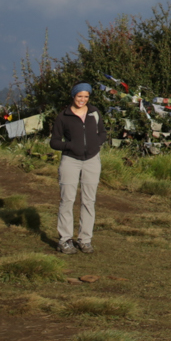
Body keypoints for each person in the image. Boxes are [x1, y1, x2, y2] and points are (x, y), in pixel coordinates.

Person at [48, 82, 105, 254]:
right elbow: (54, 142)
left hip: (92, 160)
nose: (83, 99)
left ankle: (85, 240)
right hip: (70, 161)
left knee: (89, 201)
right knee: (67, 200)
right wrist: (70, 146)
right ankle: (65, 240)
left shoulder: (94, 113)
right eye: (80, 96)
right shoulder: (63, 116)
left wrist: (96, 143)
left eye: (86, 96)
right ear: (73, 96)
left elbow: (102, 133)